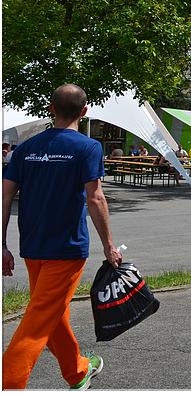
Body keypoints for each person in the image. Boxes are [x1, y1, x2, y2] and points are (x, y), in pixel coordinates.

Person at [3, 84, 123, 390]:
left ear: (50, 109)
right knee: (37, 321)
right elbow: (95, 198)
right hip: (67, 249)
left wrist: (2, 245)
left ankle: (78, 371)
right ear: (84, 112)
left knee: (50, 314)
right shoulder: (88, 147)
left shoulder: (26, 149)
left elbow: (4, 197)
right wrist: (109, 245)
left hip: (32, 246)